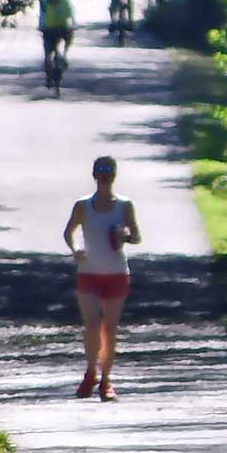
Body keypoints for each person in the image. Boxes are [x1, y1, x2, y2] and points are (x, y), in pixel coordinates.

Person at [62, 154, 139, 398]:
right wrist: (75, 250)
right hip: (89, 273)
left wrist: (124, 237)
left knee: (110, 328)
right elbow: (69, 231)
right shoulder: (83, 205)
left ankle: (106, 380)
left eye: (109, 171)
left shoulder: (124, 206)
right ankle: (90, 372)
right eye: (101, 171)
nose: (105, 176)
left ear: (114, 176)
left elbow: (137, 236)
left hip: (116, 273)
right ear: (94, 175)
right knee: (92, 324)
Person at [37, 0, 76, 93]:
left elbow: (42, 16)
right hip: (63, 29)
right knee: (67, 41)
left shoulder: (44, 2)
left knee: (48, 54)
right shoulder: (65, 1)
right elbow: (71, 15)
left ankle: (49, 77)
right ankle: (64, 54)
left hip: (48, 29)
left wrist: (40, 27)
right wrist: (73, 25)